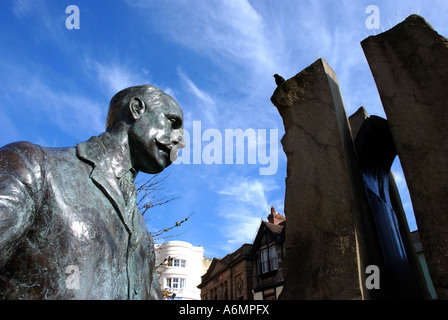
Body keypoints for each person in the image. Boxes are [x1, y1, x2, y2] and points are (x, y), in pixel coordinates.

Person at [0, 84, 183, 299]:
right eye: (172, 123)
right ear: (136, 109)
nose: (180, 141)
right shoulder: (31, 165)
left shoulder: (143, 238)